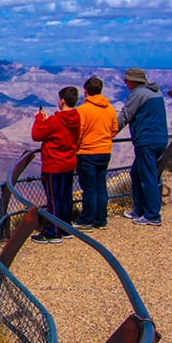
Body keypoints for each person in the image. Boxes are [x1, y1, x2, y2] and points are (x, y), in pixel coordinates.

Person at [117, 68, 168, 226]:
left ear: (134, 81)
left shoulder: (137, 94)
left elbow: (126, 115)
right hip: (160, 138)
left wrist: (107, 133)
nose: (125, 83)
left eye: (127, 80)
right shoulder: (155, 92)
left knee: (147, 176)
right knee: (137, 173)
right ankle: (138, 210)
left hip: (146, 140)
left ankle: (152, 215)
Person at [30, 86, 80, 244]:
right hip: (69, 163)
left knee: (54, 199)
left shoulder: (55, 120)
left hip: (53, 165)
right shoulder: (77, 117)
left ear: (63, 101)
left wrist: (39, 119)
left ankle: (53, 231)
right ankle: (65, 227)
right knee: (65, 197)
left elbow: (36, 135)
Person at [74, 77, 118, 231]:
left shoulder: (82, 110)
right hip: (105, 152)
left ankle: (86, 220)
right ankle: (100, 219)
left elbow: (77, 133)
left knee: (89, 188)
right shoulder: (110, 109)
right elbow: (114, 130)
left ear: (85, 91)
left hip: (87, 153)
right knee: (101, 186)